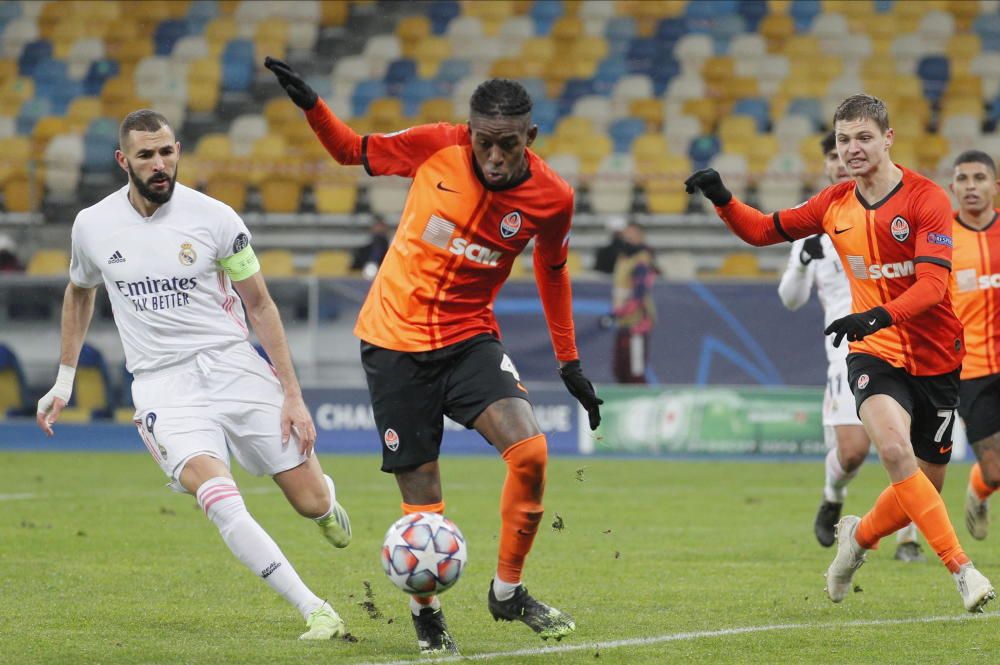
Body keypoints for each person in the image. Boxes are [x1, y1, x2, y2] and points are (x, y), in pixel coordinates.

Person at [266, 57, 603, 655]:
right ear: (467, 132)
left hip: (469, 337)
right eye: (483, 143)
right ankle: (427, 611)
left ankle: (508, 592)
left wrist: (569, 362)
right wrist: (313, 106)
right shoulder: (434, 147)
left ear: (531, 138)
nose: (494, 157)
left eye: (507, 145)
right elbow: (350, 150)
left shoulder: (553, 198)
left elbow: (553, 272)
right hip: (393, 342)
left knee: (530, 452)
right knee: (423, 499)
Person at [35, 109, 353, 640]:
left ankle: (325, 502)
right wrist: (64, 380)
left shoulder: (217, 218)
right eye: (145, 156)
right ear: (123, 161)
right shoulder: (91, 225)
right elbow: (79, 292)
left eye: (167, 152)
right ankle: (314, 608)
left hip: (234, 366)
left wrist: (292, 395)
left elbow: (262, 306)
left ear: (178, 150)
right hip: (163, 385)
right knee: (219, 496)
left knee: (310, 501)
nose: (159, 165)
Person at [685, 94, 995, 612]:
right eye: (845, 139)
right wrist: (722, 198)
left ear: (888, 138)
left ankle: (857, 540)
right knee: (893, 453)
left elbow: (934, 286)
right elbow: (762, 230)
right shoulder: (832, 203)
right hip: (872, 353)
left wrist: (877, 312)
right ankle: (963, 571)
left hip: (938, 358)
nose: (852, 149)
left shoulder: (926, 198)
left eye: (864, 138)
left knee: (921, 490)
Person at [778, 132, 924, 561]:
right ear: (828, 164)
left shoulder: (896, 212)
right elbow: (790, 300)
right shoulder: (813, 225)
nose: (843, 161)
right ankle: (832, 494)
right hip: (846, 354)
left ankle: (908, 538)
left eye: (851, 152)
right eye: (834, 155)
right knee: (854, 451)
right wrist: (803, 260)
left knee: (903, 445)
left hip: (899, 343)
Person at [946, 150, 1000, 541]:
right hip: (971, 369)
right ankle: (979, 493)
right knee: (995, 471)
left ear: (995, 187)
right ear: (952, 188)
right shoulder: (940, 240)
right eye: (962, 179)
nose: (970, 187)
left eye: (979, 178)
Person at [611, 221, 656, 383]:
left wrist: (618, 312)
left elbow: (639, 293)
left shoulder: (642, 260)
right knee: (620, 369)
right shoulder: (623, 258)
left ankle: (639, 405)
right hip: (624, 324)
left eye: (632, 235)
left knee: (635, 371)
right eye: (626, 235)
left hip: (637, 325)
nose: (628, 239)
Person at [351, 215, 390, 279]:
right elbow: (353, 271)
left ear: (385, 228)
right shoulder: (362, 252)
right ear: (372, 228)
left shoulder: (391, 252)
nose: (379, 229)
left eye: (381, 226)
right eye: (376, 226)